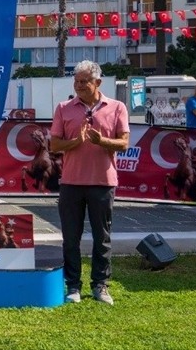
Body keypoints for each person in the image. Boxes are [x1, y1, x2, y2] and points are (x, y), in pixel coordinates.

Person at [49, 60, 129, 305]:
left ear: (98, 82)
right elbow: (54, 145)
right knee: (70, 238)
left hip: (103, 183)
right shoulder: (64, 107)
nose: (80, 85)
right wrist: (75, 142)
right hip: (71, 183)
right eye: (77, 81)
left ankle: (100, 285)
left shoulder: (117, 107)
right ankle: (73, 285)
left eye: (84, 81)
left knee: (101, 237)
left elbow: (124, 143)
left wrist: (102, 141)